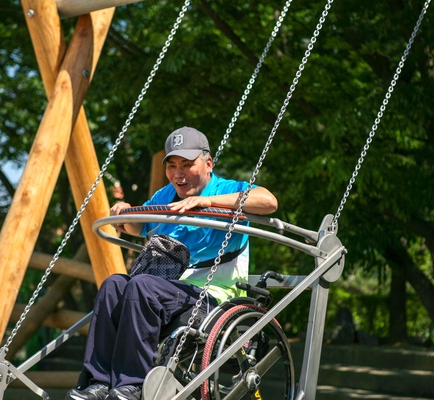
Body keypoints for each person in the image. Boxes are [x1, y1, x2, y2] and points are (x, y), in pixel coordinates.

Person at [66, 126, 278, 400]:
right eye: (173, 165)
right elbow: (136, 226)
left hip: (212, 298)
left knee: (142, 286)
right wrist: (123, 213)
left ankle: (132, 384)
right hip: (167, 293)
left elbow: (268, 201)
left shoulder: (226, 189)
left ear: (208, 163)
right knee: (113, 284)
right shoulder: (165, 196)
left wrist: (206, 201)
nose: (179, 173)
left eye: (188, 165)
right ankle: (98, 382)